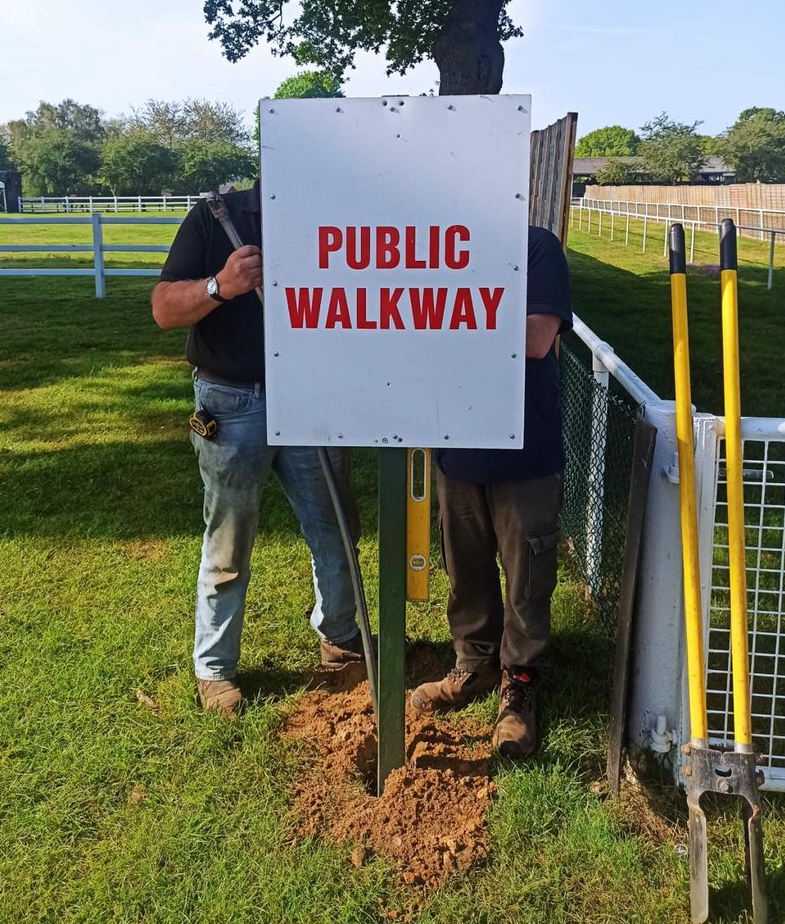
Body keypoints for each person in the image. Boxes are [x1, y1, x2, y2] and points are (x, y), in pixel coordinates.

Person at [152, 181, 362, 716]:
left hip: (313, 398)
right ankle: (215, 669)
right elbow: (164, 310)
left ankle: (339, 637)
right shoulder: (217, 217)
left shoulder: (334, 214)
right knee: (229, 537)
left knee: (334, 526)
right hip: (231, 402)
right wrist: (221, 286)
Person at [410, 225, 572, 758]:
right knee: (465, 568)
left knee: (527, 575)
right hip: (457, 447)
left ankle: (519, 685)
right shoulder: (438, 250)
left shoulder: (534, 247)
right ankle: (474, 667)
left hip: (525, 451)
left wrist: (444, 319)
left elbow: (534, 339)